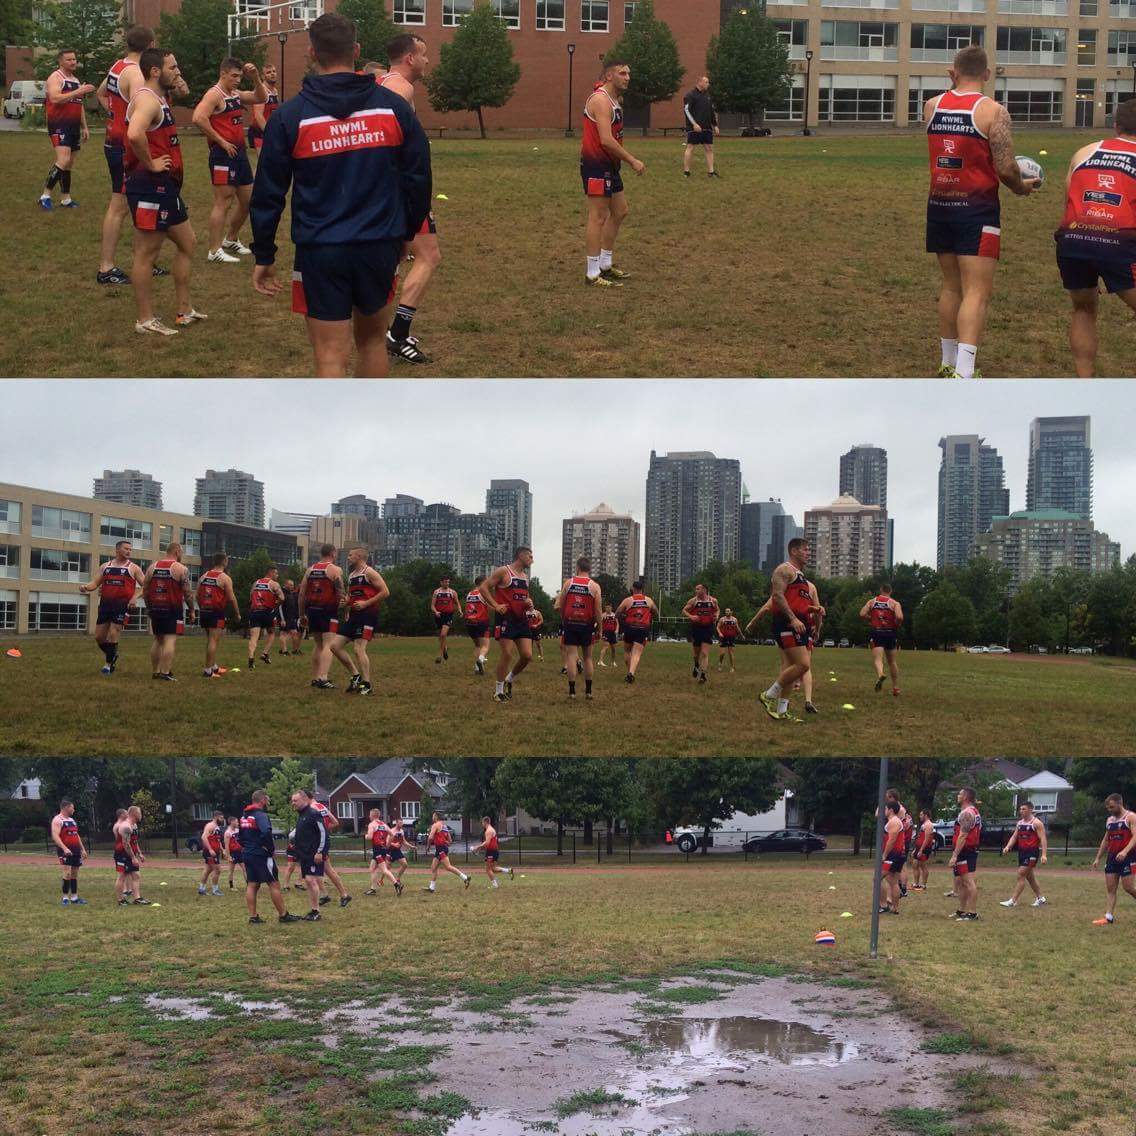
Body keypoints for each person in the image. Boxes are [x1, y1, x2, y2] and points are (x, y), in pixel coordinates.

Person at [250, 12, 432, 378]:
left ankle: (332, 435)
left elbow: (269, 192)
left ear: (312, 52)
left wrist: (264, 253)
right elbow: (418, 179)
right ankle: (372, 432)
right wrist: (406, 233)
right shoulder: (394, 109)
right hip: (378, 244)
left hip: (321, 251)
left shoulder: (289, 117)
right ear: (357, 50)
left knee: (331, 354)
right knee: (372, 343)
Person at [925, 45, 1039, 379]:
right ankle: (964, 371)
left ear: (952, 72)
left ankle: (947, 363)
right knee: (977, 291)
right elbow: (1006, 169)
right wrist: (1021, 187)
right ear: (987, 75)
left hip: (940, 205)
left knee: (950, 287)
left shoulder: (931, 106)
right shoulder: (994, 112)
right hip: (977, 210)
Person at [123, 48, 205, 336]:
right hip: (148, 185)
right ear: (156, 70)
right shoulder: (147, 99)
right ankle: (145, 319)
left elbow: (181, 92)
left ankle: (184, 310)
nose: (177, 71)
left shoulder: (159, 97)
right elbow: (134, 134)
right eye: (173, 67)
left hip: (165, 187)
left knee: (188, 242)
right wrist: (151, 163)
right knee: (147, 253)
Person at [1054, 98, 1136, 377]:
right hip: (1120, 242)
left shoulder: (1085, 151)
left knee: (1083, 309)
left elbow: (1068, 199)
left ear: (1115, 126)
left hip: (1073, 238)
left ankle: (1084, 383)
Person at [379, 34, 439, 365]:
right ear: (410, 59)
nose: (428, 61)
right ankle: (396, 334)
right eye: (424, 54)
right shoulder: (399, 89)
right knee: (428, 255)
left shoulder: (387, 84)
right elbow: (392, 146)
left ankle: (385, 332)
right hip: (399, 190)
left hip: (395, 189)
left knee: (402, 258)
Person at [96, 24, 155, 284]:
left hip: (114, 140)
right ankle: (106, 268)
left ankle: (144, 261)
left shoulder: (117, 66)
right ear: (150, 46)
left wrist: (114, 115)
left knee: (134, 203)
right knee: (119, 205)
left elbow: (101, 94)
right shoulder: (135, 74)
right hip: (124, 146)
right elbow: (143, 111)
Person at [192, 58, 265, 263]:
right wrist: (221, 141)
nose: (237, 80)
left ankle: (230, 239)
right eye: (234, 76)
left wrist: (256, 78)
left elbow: (261, 97)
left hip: (239, 153)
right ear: (223, 74)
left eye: (240, 76)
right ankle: (214, 251)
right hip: (223, 154)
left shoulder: (234, 93)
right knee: (223, 201)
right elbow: (198, 117)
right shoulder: (215, 94)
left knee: (249, 200)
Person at [581, 59, 644, 287]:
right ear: (609, 76)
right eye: (622, 73)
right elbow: (606, 140)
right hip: (596, 164)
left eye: (628, 73)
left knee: (620, 211)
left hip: (610, 165)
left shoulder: (615, 100)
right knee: (597, 216)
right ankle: (592, 273)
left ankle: (605, 265)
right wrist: (632, 160)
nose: (627, 77)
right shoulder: (600, 100)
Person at [759, 539, 822, 721]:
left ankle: (781, 710)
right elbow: (777, 596)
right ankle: (768, 695)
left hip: (799, 624)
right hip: (787, 623)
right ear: (794, 551)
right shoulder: (783, 570)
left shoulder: (801, 576)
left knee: (790, 667)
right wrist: (793, 618)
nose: (808, 553)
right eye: (805, 549)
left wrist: (814, 610)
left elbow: (798, 604)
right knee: (803, 665)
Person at [327, 547, 389, 695]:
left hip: (368, 614)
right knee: (335, 646)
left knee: (358, 648)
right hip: (354, 616)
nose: (348, 558)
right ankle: (356, 676)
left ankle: (367, 684)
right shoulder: (352, 575)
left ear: (359, 556)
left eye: (350, 555)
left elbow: (386, 592)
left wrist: (366, 603)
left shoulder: (369, 572)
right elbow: (351, 596)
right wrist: (346, 603)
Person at [79, 540, 146, 674]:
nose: (129, 551)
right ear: (117, 550)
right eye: (126, 549)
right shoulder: (105, 566)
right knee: (99, 637)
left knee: (113, 634)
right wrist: (86, 587)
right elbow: (95, 583)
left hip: (122, 605)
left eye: (130, 549)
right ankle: (113, 654)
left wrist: (134, 597)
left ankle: (108, 666)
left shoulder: (133, 568)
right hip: (105, 604)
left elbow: (146, 586)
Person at [39, 50, 94, 211]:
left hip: (73, 126)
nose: (73, 62)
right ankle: (45, 196)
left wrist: (84, 126)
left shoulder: (75, 80)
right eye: (69, 60)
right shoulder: (55, 78)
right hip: (59, 125)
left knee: (68, 164)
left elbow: (78, 104)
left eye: (74, 59)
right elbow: (55, 98)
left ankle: (65, 199)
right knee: (62, 160)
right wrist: (80, 91)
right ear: (61, 62)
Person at [481, 547, 536, 703]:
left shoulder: (525, 577)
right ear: (521, 555)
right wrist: (496, 605)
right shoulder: (503, 571)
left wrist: (529, 603)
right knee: (507, 653)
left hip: (521, 619)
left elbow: (523, 597)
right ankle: (498, 691)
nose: (532, 559)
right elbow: (484, 587)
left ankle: (509, 678)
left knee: (527, 656)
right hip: (505, 618)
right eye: (530, 556)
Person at [238, 790, 300, 924]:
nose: (268, 801)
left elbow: (240, 836)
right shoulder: (260, 815)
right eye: (267, 799)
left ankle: (253, 917)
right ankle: (283, 915)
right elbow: (266, 832)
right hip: (260, 854)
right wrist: (270, 848)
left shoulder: (244, 816)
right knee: (273, 883)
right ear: (262, 800)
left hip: (247, 853)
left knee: (252, 884)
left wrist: (247, 845)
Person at [142, 541, 193, 681]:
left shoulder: (152, 567)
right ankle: (165, 673)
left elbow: (145, 590)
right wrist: (192, 609)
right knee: (170, 639)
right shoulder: (181, 568)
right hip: (173, 609)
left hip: (155, 608)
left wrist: (149, 607)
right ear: (177, 552)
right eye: (181, 552)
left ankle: (155, 671)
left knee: (158, 640)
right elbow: (187, 592)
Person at [299, 544, 346, 690]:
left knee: (318, 644)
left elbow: (301, 594)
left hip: (312, 610)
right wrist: (345, 609)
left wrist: (302, 614)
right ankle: (323, 678)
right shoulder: (335, 570)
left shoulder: (310, 570)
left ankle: (315, 677)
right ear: (333, 553)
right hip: (328, 611)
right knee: (328, 645)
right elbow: (341, 593)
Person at [554, 557, 602, 700]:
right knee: (588, 657)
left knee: (571, 656)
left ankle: (572, 691)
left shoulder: (568, 583)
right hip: (587, 624)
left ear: (577, 568)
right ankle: (588, 691)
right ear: (589, 569)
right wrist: (600, 627)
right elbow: (598, 610)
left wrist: (564, 620)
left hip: (570, 623)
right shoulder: (594, 586)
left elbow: (560, 605)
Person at [1091, 793, 1136, 926]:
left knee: (1128, 887)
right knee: (1111, 889)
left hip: (1129, 857)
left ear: (1119, 804)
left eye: (1111, 807)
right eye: (1108, 808)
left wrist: (1125, 851)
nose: (1109, 810)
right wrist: (1098, 858)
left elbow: (1135, 837)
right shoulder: (1109, 820)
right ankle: (1108, 917)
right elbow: (1106, 840)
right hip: (1112, 858)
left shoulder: (1131, 817)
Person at [196, 552, 239, 677]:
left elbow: (198, 595)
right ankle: (208, 670)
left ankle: (213, 666)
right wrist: (237, 613)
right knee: (213, 640)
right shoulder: (225, 578)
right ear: (225, 562)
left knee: (210, 640)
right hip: (216, 611)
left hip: (205, 610)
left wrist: (201, 607)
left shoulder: (203, 576)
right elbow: (232, 598)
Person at [1000, 801, 1048, 908]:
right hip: (1022, 852)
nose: (1021, 811)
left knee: (1021, 874)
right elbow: (1014, 837)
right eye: (1020, 809)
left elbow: (1043, 839)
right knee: (1030, 877)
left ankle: (1013, 901)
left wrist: (1044, 855)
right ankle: (1041, 898)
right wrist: (1008, 847)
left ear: (1031, 810)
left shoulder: (1037, 823)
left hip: (1032, 852)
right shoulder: (1020, 823)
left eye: (1024, 809)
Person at [291, 789, 329, 921]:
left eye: (295, 800)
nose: (293, 803)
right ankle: (314, 910)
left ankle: (316, 911)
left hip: (314, 855)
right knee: (308, 881)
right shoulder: (301, 815)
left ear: (304, 799)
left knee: (310, 880)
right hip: (304, 855)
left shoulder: (313, 814)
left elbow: (323, 833)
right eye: (292, 801)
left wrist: (320, 852)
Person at [860, 583, 903, 696]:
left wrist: (871, 619)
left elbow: (862, 614)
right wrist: (897, 624)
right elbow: (899, 617)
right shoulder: (894, 603)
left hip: (877, 632)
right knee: (892, 661)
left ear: (881, 590)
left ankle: (880, 675)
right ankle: (895, 687)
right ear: (890, 591)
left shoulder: (872, 601)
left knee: (878, 659)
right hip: (890, 633)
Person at [309, 796, 352, 908]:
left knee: (320, 869)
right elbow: (335, 822)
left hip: (318, 842)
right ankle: (329, 895)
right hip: (323, 840)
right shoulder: (322, 807)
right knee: (325, 870)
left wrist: (320, 832)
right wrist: (325, 829)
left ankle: (341, 894)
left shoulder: (311, 808)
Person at [947, 788, 982, 921]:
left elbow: (963, 836)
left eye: (960, 794)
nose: (958, 796)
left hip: (965, 851)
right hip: (968, 850)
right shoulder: (973, 811)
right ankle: (962, 910)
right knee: (961, 882)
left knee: (968, 882)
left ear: (966, 797)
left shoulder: (967, 813)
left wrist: (955, 854)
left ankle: (972, 913)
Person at [616, 581, 657, 684]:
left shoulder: (628, 600)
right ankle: (631, 673)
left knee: (627, 651)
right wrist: (649, 614)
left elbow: (617, 612)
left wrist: (624, 615)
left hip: (630, 627)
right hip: (643, 628)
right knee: (637, 653)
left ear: (633, 589)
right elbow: (656, 611)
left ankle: (630, 672)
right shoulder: (649, 600)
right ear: (642, 589)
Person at [247, 566, 285, 669]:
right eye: (276, 574)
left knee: (254, 637)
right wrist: (276, 604)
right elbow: (282, 598)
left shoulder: (256, 583)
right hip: (267, 612)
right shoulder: (274, 584)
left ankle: (251, 658)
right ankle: (264, 653)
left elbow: (250, 597)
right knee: (271, 633)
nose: (277, 576)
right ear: (271, 573)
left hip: (255, 611)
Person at [51, 799, 88, 906]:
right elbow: (55, 836)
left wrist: (82, 849)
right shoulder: (57, 820)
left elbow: (76, 835)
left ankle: (75, 897)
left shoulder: (72, 820)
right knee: (67, 873)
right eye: (72, 807)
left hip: (76, 850)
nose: (74, 809)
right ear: (66, 807)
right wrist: (64, 848)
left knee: (74, 874)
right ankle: (65, 897)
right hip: (66, 851)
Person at [682, 75, 719, 178]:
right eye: (706, 82)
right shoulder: (690, 95)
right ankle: (686, 172)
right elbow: (686, 110)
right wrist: (694, 124)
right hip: (695, 128)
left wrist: (715, 125)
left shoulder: (708, 96)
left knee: (709, 148)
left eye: (708, 82)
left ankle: (711, 172)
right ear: (700, 82)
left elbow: (711, 111)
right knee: (690, 147)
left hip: (707, 128)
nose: (708, 84)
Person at [423, 812, 470, 892]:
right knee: (433, 868)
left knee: (448, 867)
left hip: (441, 849)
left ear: (436, 817)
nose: (432, 817)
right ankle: (432, 888)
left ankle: (465, 878)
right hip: (441, 849)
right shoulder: (444, 826)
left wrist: (428, 847)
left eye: (433, 816)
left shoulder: (435, 825)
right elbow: (450, 841)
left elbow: (430, 837)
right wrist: (445, 843)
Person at [683, 584, 719, 684]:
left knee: (704, 653)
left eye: (698, 589)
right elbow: (684, 610)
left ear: (704, 590)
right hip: (696, 628)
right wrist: (691, 617)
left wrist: (716, 615)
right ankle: (696, 665)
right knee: (696, 654)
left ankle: (703, 675)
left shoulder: (713, 600)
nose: (696, 591)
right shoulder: (693, 601)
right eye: (696, 589)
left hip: (708, 628)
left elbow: (717, 609)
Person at [364, 808, 403, 895]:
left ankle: (397, 884)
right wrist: (387, 844)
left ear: (373, 815)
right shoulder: (384, 824)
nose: (369, 816)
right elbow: (392, 835)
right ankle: (373, 889)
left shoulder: (372, 824)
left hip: (378, 849)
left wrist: (365, 836)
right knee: (372, 868)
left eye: (370, 814)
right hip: (381, 849)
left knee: (384, 870)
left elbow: (369, 837)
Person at [471, 816, 514, 889]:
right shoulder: (490, 830)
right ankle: (508, 871)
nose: (482, 824)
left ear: (485, 822)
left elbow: (487, 843)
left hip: (491, 852)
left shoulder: (489, 831)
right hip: (494, 851)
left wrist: (477, 847)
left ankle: (495, 885)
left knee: (488, 869)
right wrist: (479, 848)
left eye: (482, 822)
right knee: (493, 868)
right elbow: (488, 842)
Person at [879, 801, 906, 914]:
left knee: (877, 879)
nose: (883, 811)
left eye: (885, 808)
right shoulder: (894, 821)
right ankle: (894, 908)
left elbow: (892, 840)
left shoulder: (894, 821)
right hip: (896, 855)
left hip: (892, 855)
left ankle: (883, 905)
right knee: (893, 882)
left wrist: (884, 854)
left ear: (890, 810)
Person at [247, 62, 280, 152]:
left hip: (271, 130)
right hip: (260, 132)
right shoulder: (261, 91)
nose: (272, 74)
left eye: (274, 71)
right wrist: (269, 133)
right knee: (263, 163)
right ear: (262, 76)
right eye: (268, 72)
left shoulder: (275, 91)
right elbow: (258, 116)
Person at [464, 576, 492, 675]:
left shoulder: (469, 594)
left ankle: (476, 668)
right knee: (485, 646)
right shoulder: (483, 593)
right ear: (483, 582)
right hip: (481, 622)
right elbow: (490, 606)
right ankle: (480, 660)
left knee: (477, 645)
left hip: (469, 623)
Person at [113, 808, 141, 905]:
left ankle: (137, 898)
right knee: (122, 876)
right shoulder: (126, 826)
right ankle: (121, 900)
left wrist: (139, 853)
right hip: (122, 854)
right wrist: (133, 857)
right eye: (139, 813)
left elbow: (134, 841)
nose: (141, 815)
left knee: (136, 875)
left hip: (130, 853)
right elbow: (126, 844)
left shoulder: (134, 825)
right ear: (134, 814)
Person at [431, 574, 459, 665]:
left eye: (448, 582)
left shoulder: (452, 592)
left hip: (448, 615)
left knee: (443, 635)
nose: (447, 583)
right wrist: (436, 612)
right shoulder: (436, 592)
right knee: (441, 636)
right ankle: (445, 648)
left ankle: (439, 655)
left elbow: (457, 603)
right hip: (439, 615)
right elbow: (432, 605)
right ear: (441, 582)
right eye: (445, 582)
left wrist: (460, 610)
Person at [198, 810, 226, 896]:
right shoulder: (210, 826)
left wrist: (222, 850)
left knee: (208, 870)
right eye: (221, 818)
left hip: (215, 852)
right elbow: (203, 837)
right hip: (210, 852)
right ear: (216, 817)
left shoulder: (217, 827)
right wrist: (210, 849)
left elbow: (217, 840)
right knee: (217, 870)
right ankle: (215, 890)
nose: (222, 819)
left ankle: (201, 889)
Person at [911, 808, 935, 892]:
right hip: (919, 847)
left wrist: (921, 850)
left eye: (921, 815)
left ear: (926, 815)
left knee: (922, 866)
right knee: (915, 865)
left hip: (924, 849)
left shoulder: (929, 825)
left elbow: (927, 839)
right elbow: (920, 837)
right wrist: (916, 849)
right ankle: (916, 884)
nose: (919, 816)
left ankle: (923, 885)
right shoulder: (924, 824)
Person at [278, 578, 302, 655]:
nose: (292, 586)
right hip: (284, 618)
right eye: (291, 585)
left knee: (295, 633)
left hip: (292, 618)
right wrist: (282, 619)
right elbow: (279, 607)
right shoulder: (282, 593)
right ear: (286, 584)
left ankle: (295, 650)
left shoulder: (290, 593)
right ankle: (284, 651)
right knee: (283, 633)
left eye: (293, 585)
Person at [716, 608, 740, 672]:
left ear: (731, 612)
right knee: (722, 653)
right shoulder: (722, 619)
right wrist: (720, 633)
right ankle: (720, 664)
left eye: (728, 611)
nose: (727, 612)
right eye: (726, 611)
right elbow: (717, 627)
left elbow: (737, 628)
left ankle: (732, 667)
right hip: (723, 637)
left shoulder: (734, 619)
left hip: (731, 637)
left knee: (731, 653)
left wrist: (741, 635)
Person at [224, 816, 245, 889]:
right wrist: (228, 856)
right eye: (236, 822)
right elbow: (226, 846)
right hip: (233, 853)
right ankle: (231, 886)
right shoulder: (227, 832)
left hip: (240, 852)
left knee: (245, 868)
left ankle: (249, 885)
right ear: (232, 822)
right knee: (231, 870)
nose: (238, 823)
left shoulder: (237, 830)